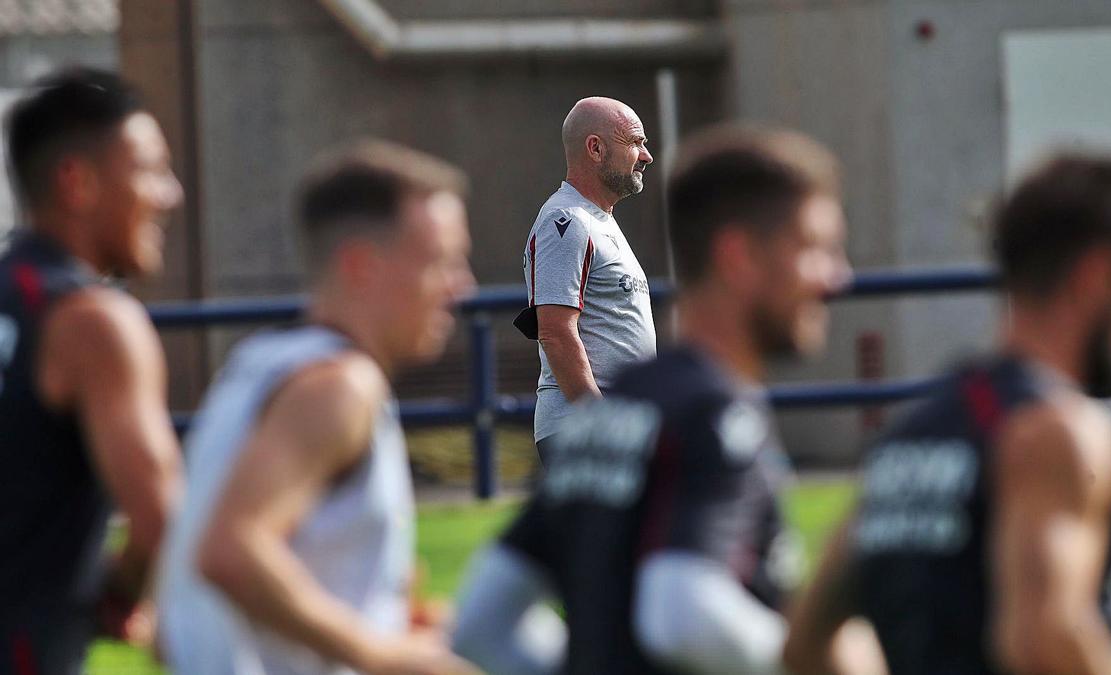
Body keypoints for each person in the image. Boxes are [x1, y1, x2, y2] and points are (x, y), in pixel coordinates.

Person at [454, 125, 876, 675]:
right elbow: (680, 613)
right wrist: (811, 658)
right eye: (814, 249)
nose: (834, 278)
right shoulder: (713, 413)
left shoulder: (614, 419)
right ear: (738, 256)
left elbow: (480, 624)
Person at [783, 154, 1111, 675]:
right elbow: (1043, 641)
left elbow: (807, 638)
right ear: (1096, 274)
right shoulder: (1057, 430)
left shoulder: (912, 435)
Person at [156, 141, 480, 675]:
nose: (460, 286)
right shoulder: (341, 386)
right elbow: (230, 551)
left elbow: (174, 605)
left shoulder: (255, 365)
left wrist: (389, 620)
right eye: (441, 261)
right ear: (361, 266)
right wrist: (378, 653)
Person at [0, 67, 184, 672]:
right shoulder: (94, 323)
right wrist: (118, 591)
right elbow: (163, 521)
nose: (169, 193)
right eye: (150, 171)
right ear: (76, 182)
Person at [513, 96, 657, 458]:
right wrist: (602, 421)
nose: (646, 156)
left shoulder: (597, 220)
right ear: (595, 148)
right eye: (636, 142)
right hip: (584, 432)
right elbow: (556, 333)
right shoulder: (567, 221)